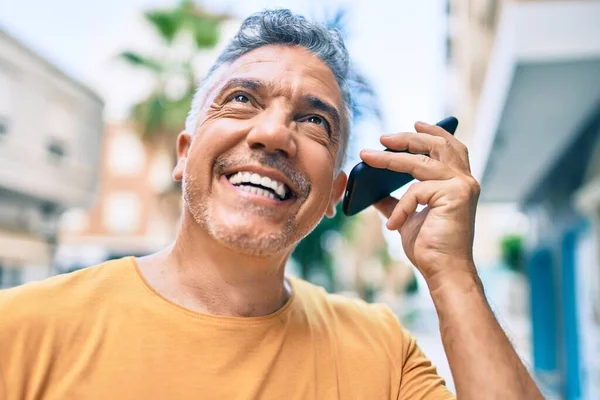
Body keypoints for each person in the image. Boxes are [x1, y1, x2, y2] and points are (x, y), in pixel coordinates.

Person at [0, 9, 542, 400]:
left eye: (314, 121)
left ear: (334, 193)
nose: (273, 133)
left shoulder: (382, 351)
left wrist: (453, 276)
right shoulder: (21, 330)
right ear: (185, 155)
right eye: (241, 100)